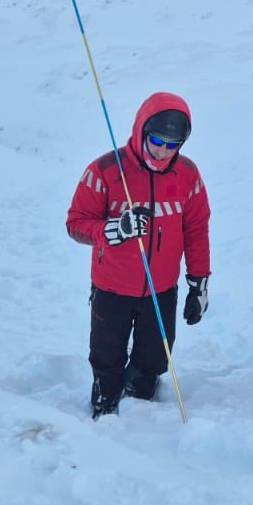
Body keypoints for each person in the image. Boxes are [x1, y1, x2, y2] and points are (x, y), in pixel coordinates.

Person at [65, 93, 211, 419]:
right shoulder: (105, 170)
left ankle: (141, 409)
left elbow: (197, 230)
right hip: (111, 288)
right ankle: (105, 404)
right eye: (156, 140)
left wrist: (198, 282)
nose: (162, 151)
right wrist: (114, 230)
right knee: (106, 356)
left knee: (156, 359)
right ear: (141, 130)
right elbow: (76, 224)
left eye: (172, 144)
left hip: (161, 290)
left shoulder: (187, 175)